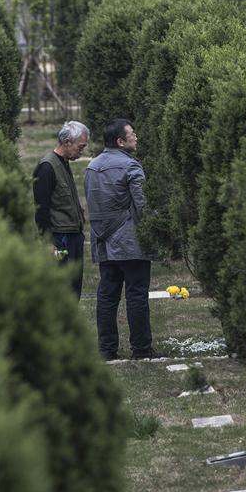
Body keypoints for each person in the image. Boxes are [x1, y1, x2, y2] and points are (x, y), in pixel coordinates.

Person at [85, 119, 153, 360]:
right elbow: (142, 205)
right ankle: (141, 348)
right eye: (131, 134)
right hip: (130, 241)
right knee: (136, 295)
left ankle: (106, 349)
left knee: (107, 296)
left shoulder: (92, 167)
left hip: (103, 240)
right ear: (120, 141)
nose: (136, 137)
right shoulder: (131, 167)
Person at [33, 120, 89, 298]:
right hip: (60, 238)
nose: (81, 151)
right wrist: (48, 241)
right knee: (63, 287)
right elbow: (41, 208)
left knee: (74, 287)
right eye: (80, 147)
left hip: (72, 235)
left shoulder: (63, 162)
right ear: (67, 142)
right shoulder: (47, 167)